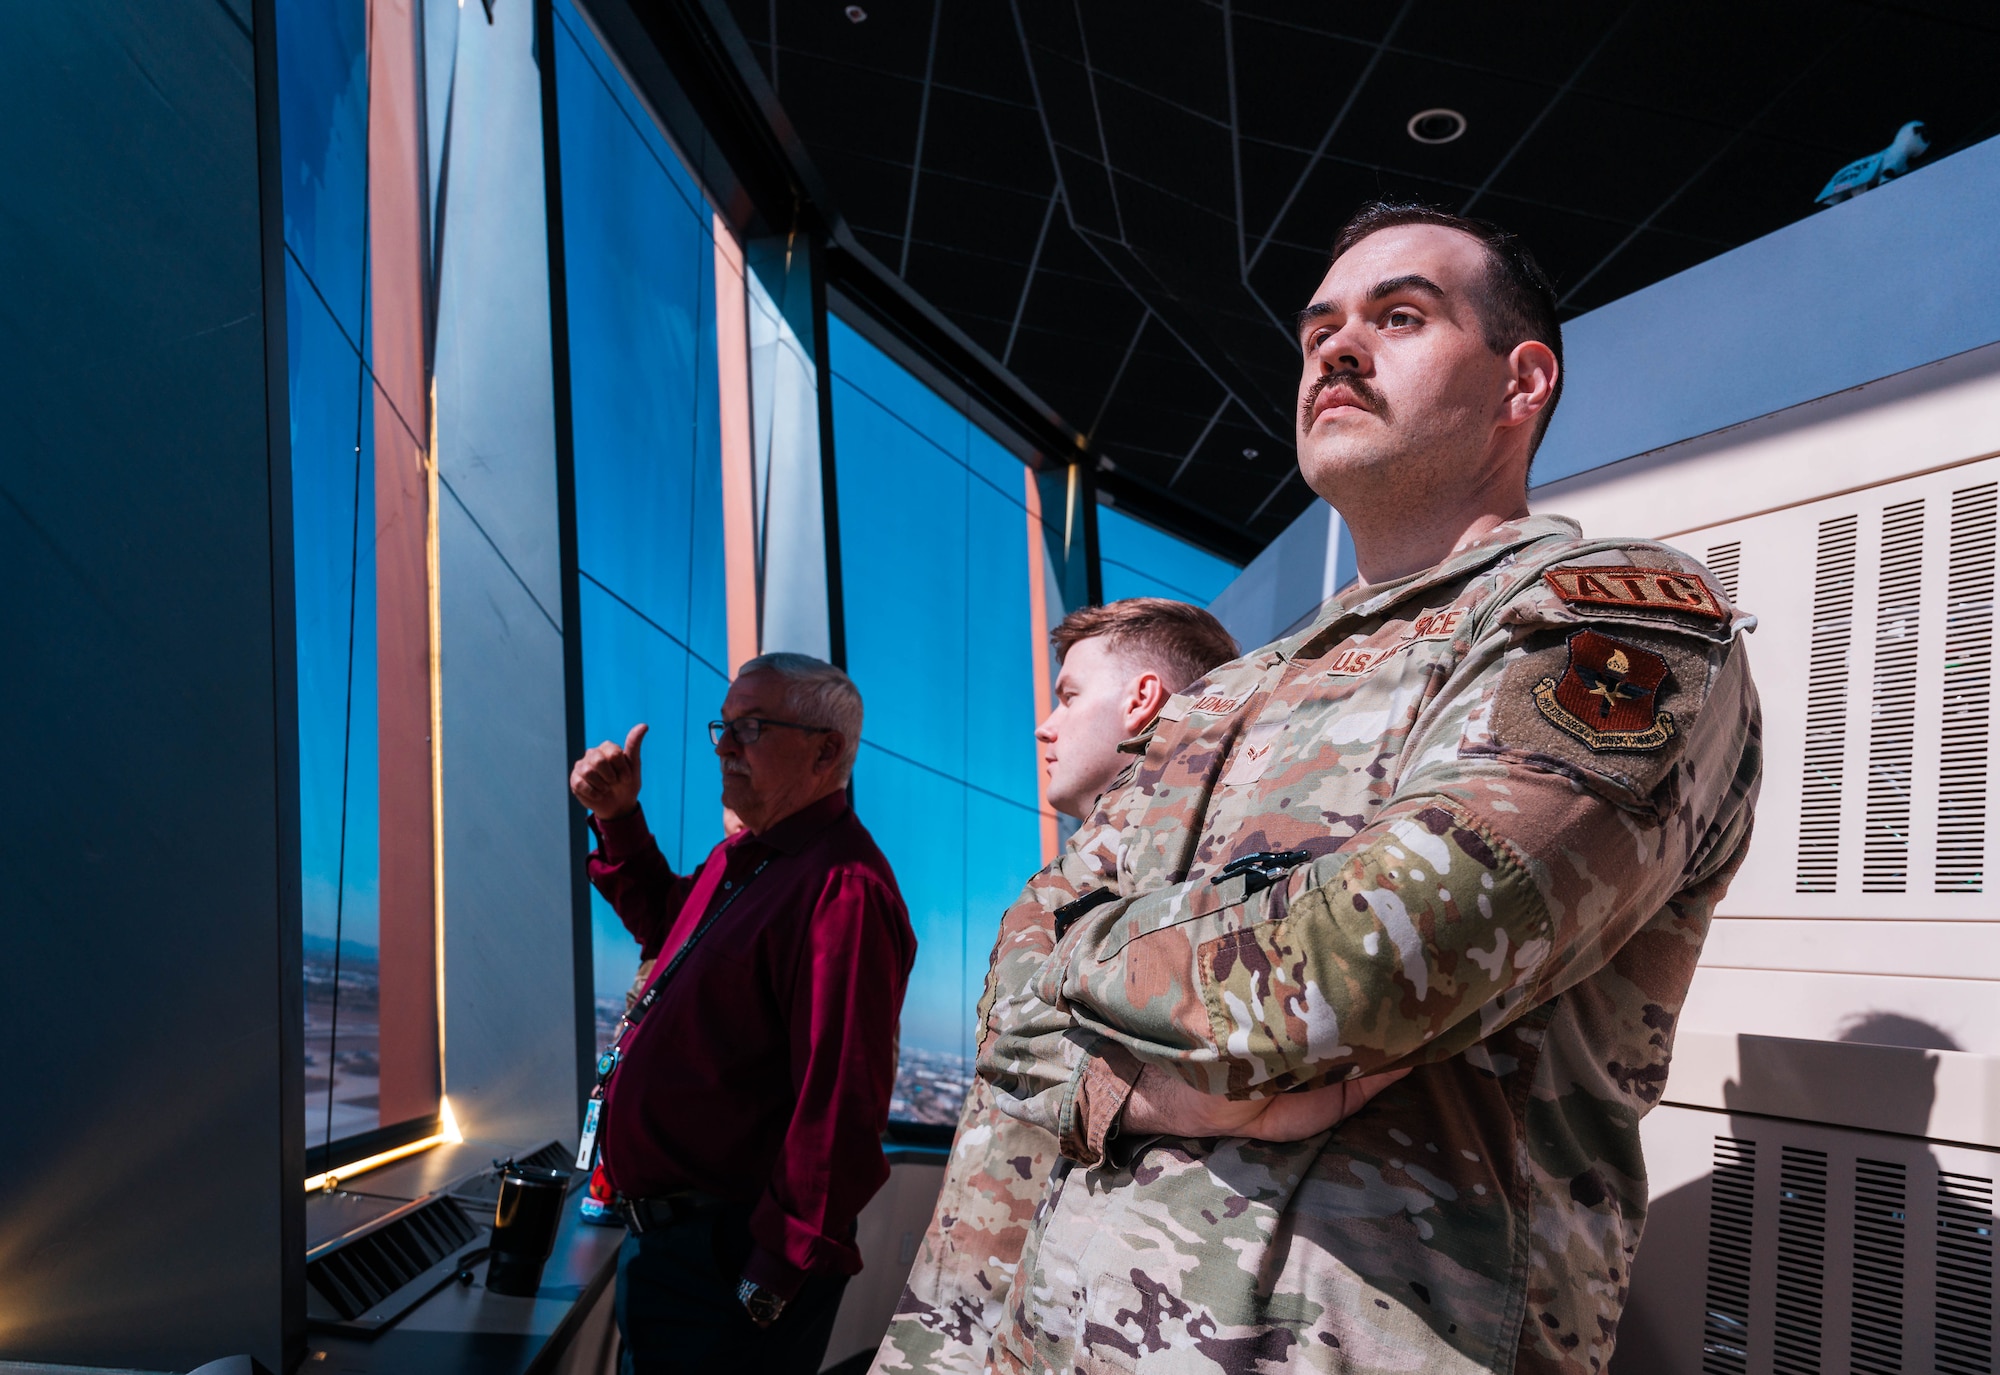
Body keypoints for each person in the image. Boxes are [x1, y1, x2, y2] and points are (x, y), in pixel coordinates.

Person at [976, 201, 1764, 1372]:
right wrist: (1139, 1093)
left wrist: (1101, 960)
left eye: (1399, 316)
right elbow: (1013, 1003)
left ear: (1520, 383)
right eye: (1317, 331)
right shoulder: (1224, 694)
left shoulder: (1607, 621)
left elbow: (1375, 956)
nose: (1336, 350)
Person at [874, 599, 1407, 1374]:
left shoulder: (1178, 882)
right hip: (998, 1315)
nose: (1044, 727)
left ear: (1142, 698)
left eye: (1069, 694)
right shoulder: (1082, 874)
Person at [569, 652, 916, 1375]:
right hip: (670, 1246)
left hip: (724, 1262)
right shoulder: (747, 862)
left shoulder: (842, 889)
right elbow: (668, 925)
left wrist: (772, 1277)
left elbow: (840, 1104)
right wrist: (618, 817)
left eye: (750, 727)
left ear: (826, 751)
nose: (725, 744)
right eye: (723, 727)